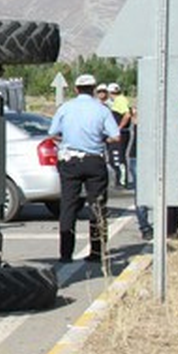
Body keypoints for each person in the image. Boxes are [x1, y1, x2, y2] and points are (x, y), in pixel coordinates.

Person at [49, 74, 120, 264]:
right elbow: (116, 136)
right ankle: (97, 252)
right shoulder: (102, 110)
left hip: (70, 160)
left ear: (76, 89)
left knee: (68, 206)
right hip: (94, 160)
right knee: (97, 206)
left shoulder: (65, 108)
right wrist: (101, 139)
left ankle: (65, 253)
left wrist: (66, 140)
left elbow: (53, 132)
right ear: (95, 89)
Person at [108, 83, 134, 188]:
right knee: (114, 158)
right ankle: (119, 180)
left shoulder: (120, 100)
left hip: (121, 133)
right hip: (120, 133)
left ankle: (122, 181)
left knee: (118, 157)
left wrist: (118, 127)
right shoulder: (120, 100)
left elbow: (127, 115)